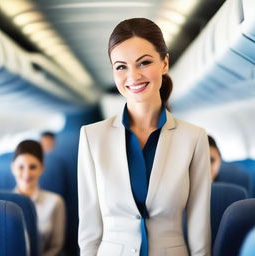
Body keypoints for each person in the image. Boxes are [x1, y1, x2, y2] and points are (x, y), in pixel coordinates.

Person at [78, 18, 211, 256]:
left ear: (164, 63)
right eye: (121, 67)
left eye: (144, 63)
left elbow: (199, 230)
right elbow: (89, 231)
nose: (133, 76)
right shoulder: (91, 137)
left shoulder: (193, 138)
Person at [11, 140, 66, 256]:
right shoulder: (3, 204)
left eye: (33, 167)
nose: (27, 174)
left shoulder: (55, 202)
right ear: (13, 168)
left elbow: (56, 246)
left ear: (42, 168)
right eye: (21, 167)